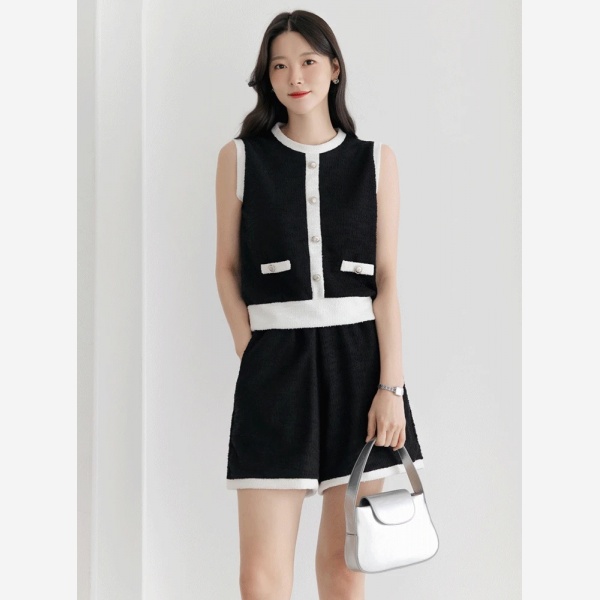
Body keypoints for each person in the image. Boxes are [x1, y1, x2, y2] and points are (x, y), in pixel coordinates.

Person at [215, 10, 424, 600]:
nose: (295, 77)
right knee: (259, 575)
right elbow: (226, 267)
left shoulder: (375, 160)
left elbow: (387, 281)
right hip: (274, 365)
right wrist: (252, 350)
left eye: (307, 61)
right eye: (279, 66)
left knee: (345, 565)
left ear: (334, 68)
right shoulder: (241, 158)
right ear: (268, 78)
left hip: (360, 367)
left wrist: (391, 388)